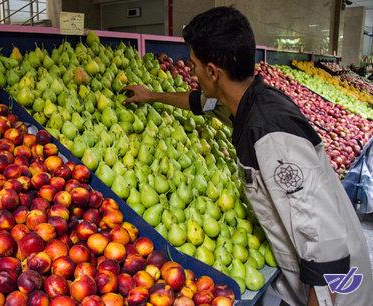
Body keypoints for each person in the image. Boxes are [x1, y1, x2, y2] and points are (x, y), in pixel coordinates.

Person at [122, 6, 373, 306]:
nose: (192, 73)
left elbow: (325, 243)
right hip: (302, 280)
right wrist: (152, 95)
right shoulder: (246, 98)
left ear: (213, 71)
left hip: (339, 290)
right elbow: (200, 103)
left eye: (194, 65)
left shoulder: (271, 136)